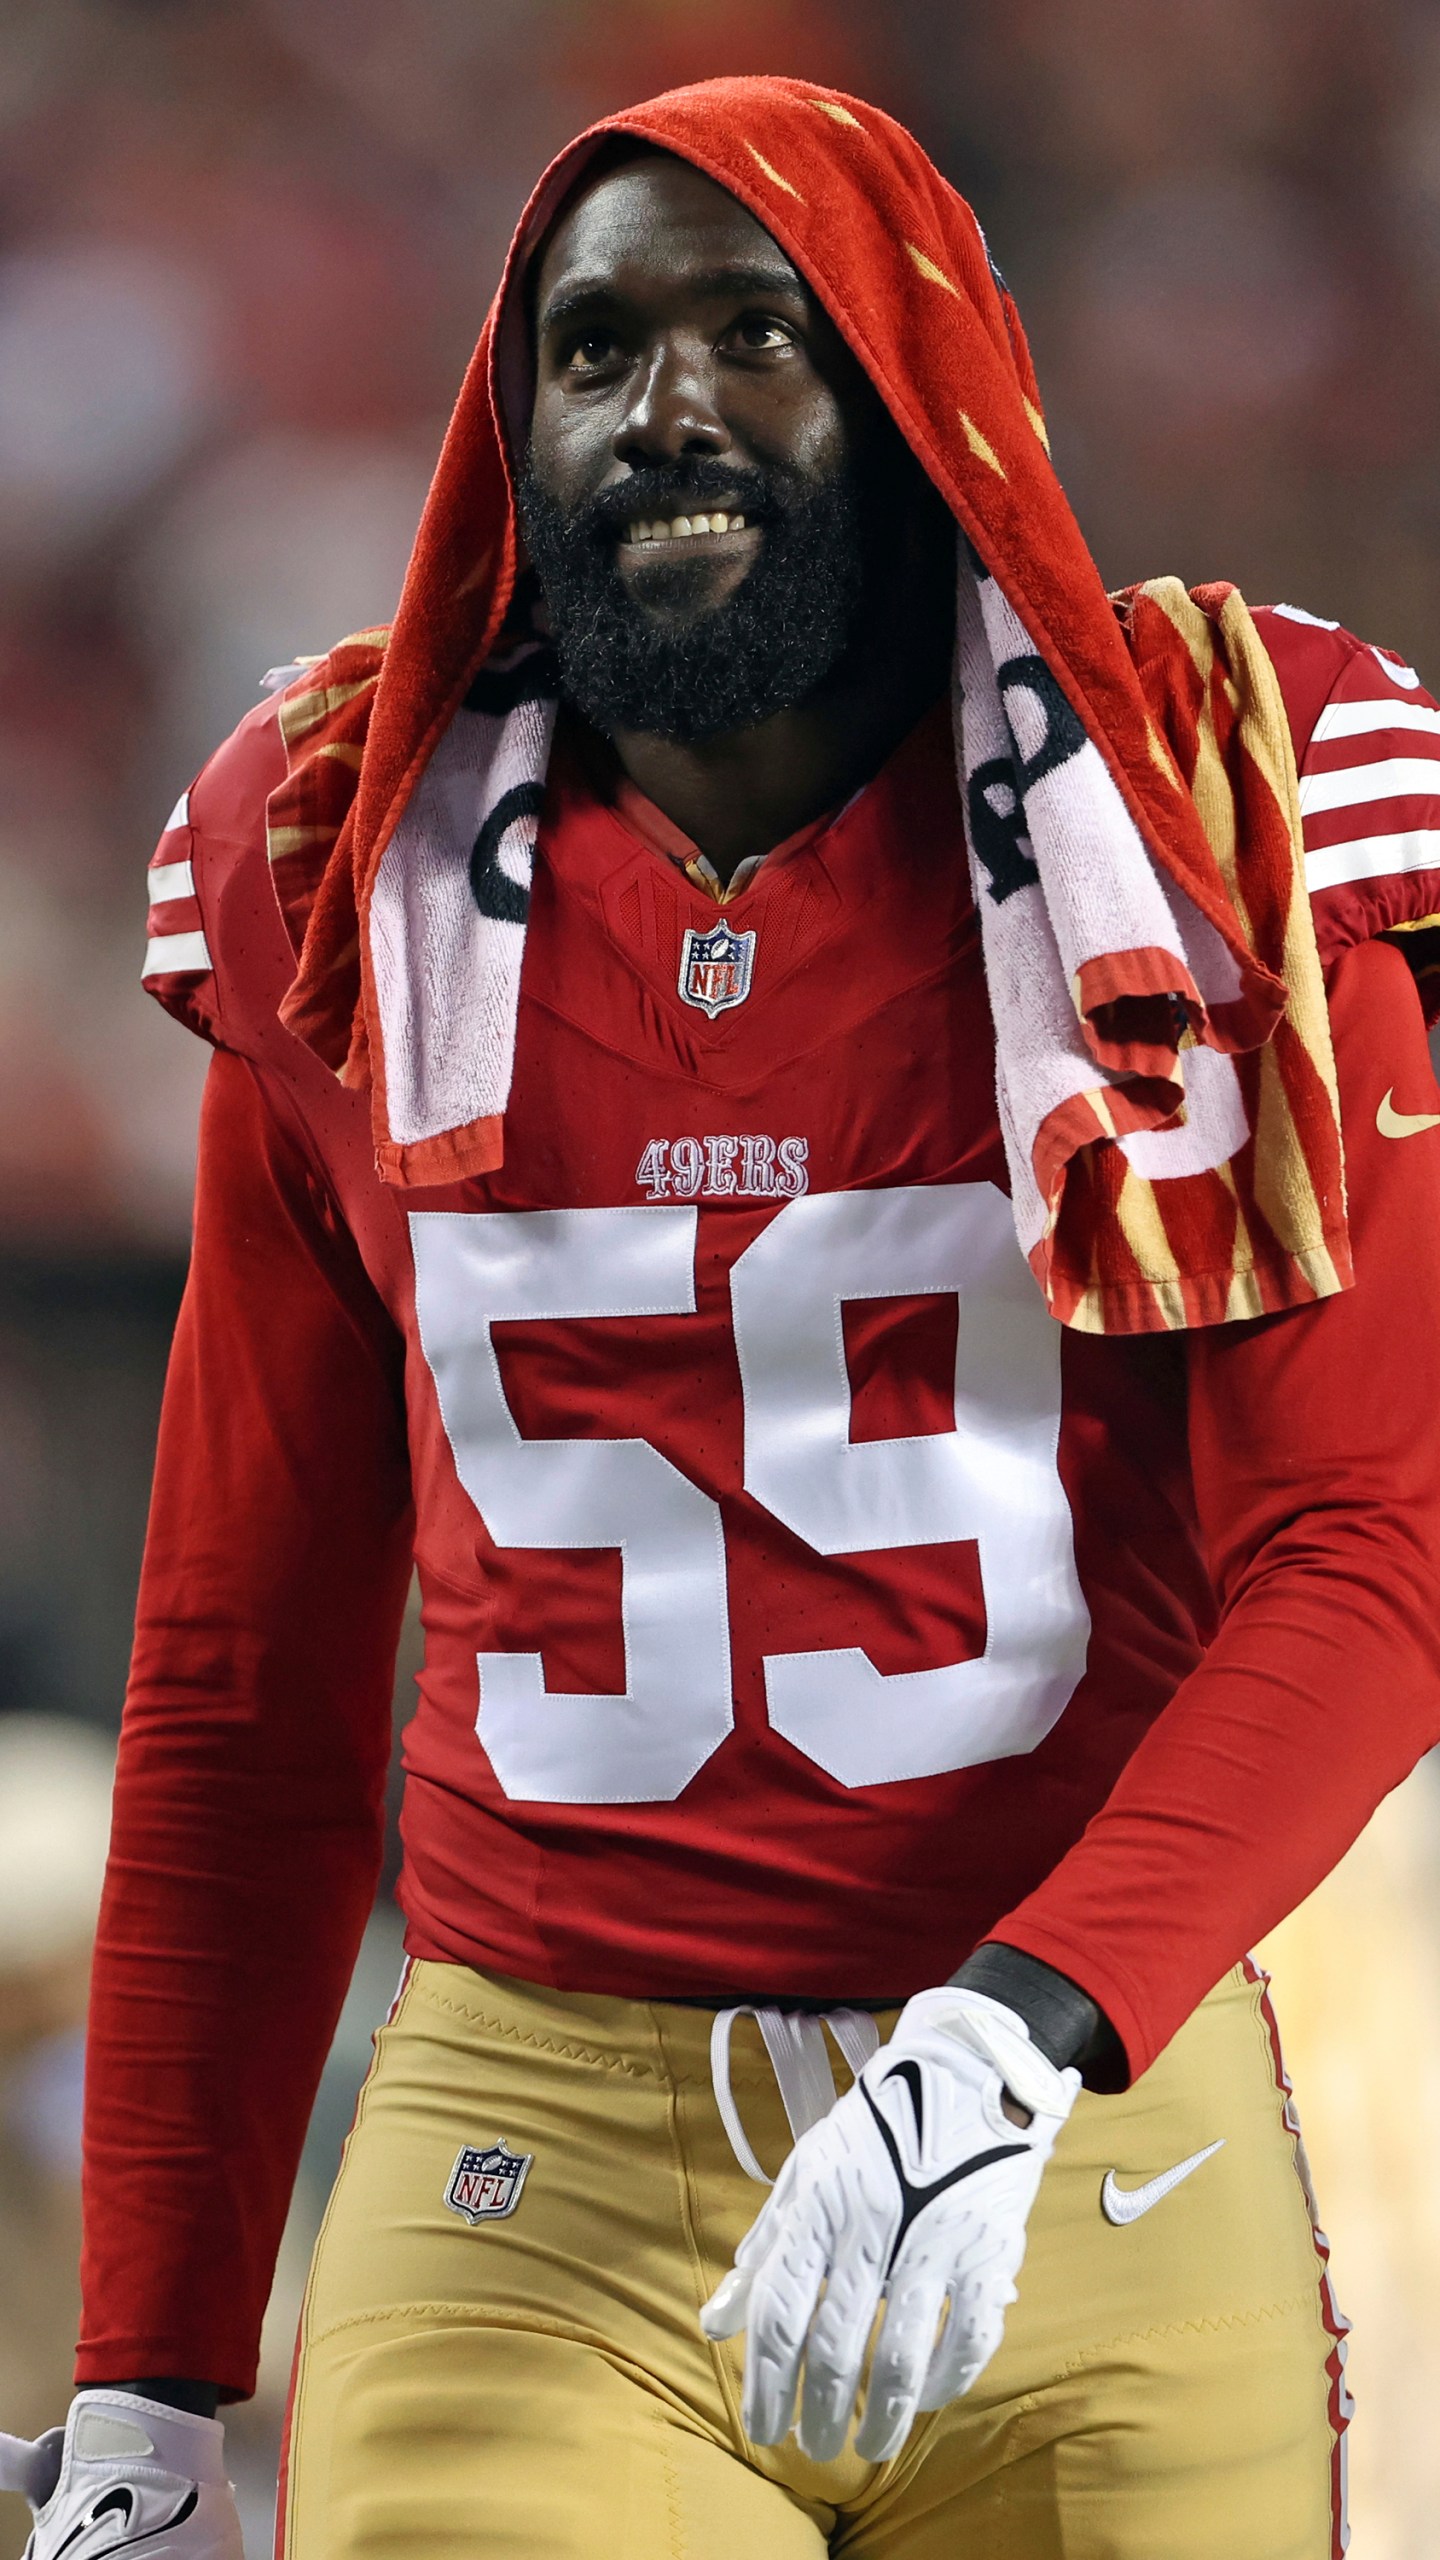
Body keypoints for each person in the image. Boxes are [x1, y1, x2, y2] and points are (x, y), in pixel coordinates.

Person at [5, 72, 1440, 2560]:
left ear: (918, 385)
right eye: (591, 342)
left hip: (1075, 2110)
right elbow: (245, 1677)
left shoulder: (1198, 812)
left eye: (755, 328)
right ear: (508, 418)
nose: (663, 397)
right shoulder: (346, 875)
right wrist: (146, 2371)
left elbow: (1381, 1544)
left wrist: (1021, 2023)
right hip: (531, 2163)